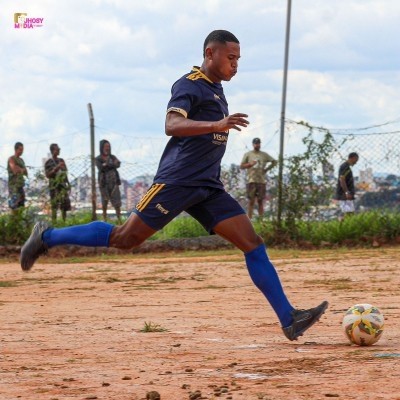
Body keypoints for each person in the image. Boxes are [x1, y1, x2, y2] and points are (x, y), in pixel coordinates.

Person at [20, 30, 328, 341]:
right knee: (126, 238)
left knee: (252, 243)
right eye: (231, 58)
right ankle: (47, 236)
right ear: (210, 54)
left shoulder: (217, 90)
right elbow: (172, 125)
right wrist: (217, 124)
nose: (235, 65)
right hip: (178, 181)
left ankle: (289, 318)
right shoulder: (189, 84)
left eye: (238, 59)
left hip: (208, 187)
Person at [240, 137, 277, 219]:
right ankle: (249, 219)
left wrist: (266, 169)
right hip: (251, 180)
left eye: (258, 143)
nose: (257, 145)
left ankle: (261, 220)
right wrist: (250, 164)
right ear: (253, 144)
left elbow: (274, 162)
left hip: (261, 180)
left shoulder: (264, 155)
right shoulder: (248, 154)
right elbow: (241, 166)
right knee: (251, 201)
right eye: (256, 143)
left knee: (260, 201)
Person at [95, 140, 122, 222]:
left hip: (114, 183)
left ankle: (119, 220)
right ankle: (104, 219)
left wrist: (107, 165)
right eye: (106, 146)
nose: (107, 148)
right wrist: (111, 165)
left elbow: (118, 164)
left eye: (108, 146)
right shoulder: (98, 158)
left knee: (117, 202)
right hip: (104, 183)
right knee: (105, 201)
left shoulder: (112, 157)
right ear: (102, 147)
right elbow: (101, 167)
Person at [44, 144, 71, 223]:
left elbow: (65, 173)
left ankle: (64, 221)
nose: (59, 150)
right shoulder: (49, 162)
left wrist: (67, 183)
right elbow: (48, 175)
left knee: (64, 205)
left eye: (59, 149)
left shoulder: (61, 160)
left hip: (62, 185)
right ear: (53, 151)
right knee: (54, 205)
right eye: (57, 149)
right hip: (54, 187)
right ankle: (54, 222)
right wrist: (56, 168)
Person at [335, 152, 359, 219]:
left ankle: (345, 223)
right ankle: (341, 223)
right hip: (344, 194)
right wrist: (347, 192)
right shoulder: (344, 167)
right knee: (347, 213)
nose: (356, 162)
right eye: (356, 160)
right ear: (352, 158)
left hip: (347, 194)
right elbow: (342, 179)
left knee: (350, 213)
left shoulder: (347, 167)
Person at [7, 142, 28, 211]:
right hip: (14, 188)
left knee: (21, 208)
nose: (22, 152)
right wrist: (21, 169)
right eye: (20, 150)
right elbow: (15, 170)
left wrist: (20, 169)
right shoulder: (11, 159)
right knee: (14, 208)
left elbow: (26, 172)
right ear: (16, 149)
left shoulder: (21, 160)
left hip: (20, 187)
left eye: (22, 150)